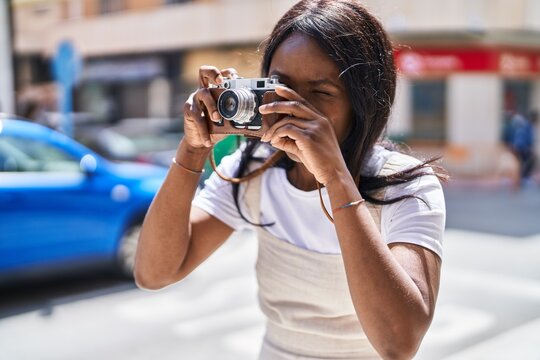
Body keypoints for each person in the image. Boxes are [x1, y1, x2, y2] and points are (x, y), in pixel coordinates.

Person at [134, 1, 446, 359]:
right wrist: (193, 149)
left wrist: (334, 178)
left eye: (320, 93)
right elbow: (154, 272)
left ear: (363, 104)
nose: (292, 108)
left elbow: (399, 342)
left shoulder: (407, 186)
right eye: (281, 87)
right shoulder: (254, 171)